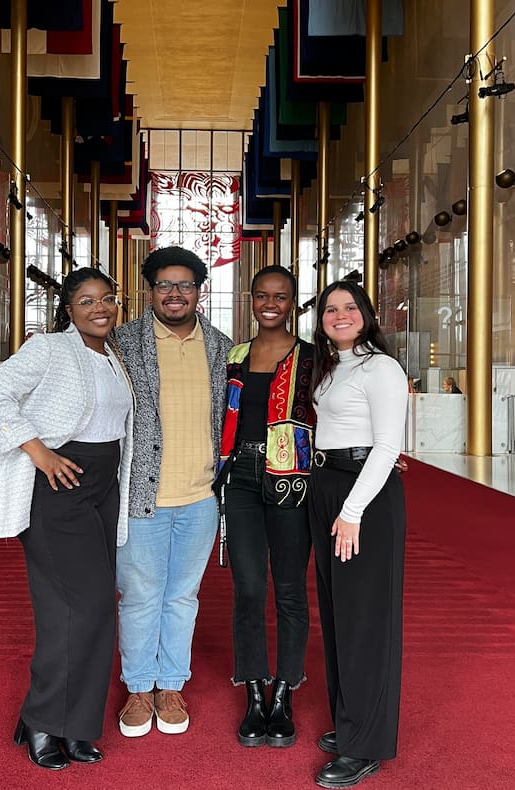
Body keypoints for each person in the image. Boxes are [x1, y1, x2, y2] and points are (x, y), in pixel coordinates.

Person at [0, 268, 133, 770]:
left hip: (104, 488)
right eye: (86, 301)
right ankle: (44, 720)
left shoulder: (113, 357)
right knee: (74, 608)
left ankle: (76, 726)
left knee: (97, 608)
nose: (99, 308)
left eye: (107, 298)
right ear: (68, 309)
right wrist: (38, 452)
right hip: (59, 489)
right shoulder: (48, 348)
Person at [114, 246, 232, 737]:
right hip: (141, 496)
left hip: (201, 497)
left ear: (200, 291)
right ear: (149, 291)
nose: (175, 293)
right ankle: (139, 688)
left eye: (185, 285)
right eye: (165, 285)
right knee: (141, 595)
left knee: (183, 596)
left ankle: (171, 684)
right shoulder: (121, 342)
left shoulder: (223, 347)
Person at [308, 280, 408, 789]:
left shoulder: (381, 367)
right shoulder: (332, 367)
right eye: (331, 309)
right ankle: (351, 720)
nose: (340, 315)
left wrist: (351, 511)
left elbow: (388, 445)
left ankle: (365, 743)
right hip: (328, 487)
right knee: (338, 613)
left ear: (366, 316)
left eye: (350, 308)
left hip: (361, 497)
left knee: (366, 620)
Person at [214, 265, 315, 749]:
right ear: (251, 300)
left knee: (290, 589)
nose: (270, 303)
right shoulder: (234, 355)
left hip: (291, 479)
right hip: (242, 480)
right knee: (249, 589)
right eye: (262, 295)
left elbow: (334, 412)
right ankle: (254, 690)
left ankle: (285, 693)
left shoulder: (313, 358)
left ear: (292, 302)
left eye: (280, 296)